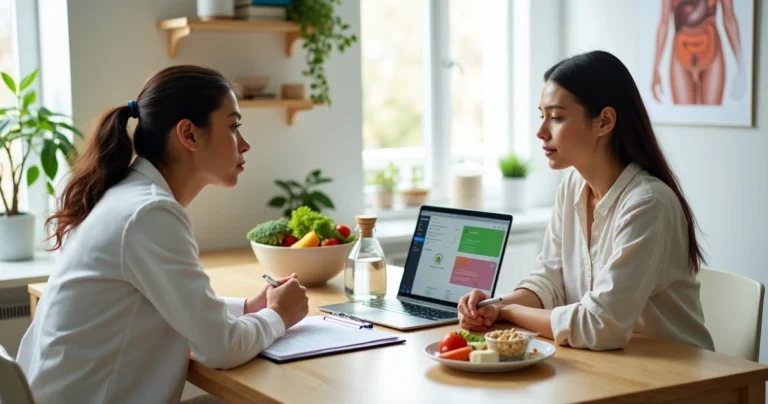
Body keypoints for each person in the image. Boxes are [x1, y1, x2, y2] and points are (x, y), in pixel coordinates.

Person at [16, 65, 309, 404]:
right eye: (233, 127)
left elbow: (160, 303)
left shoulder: (125, 196)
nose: (245, 145)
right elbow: (221, 348)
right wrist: (278, 315)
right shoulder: (149, 213)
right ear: (189, 134)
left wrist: (247, 307)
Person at [458, 50, 715, 352]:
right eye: (542, 116)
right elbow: (550, 281)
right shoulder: (572, 186)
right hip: (611, 363)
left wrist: (510, 312)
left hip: (676, 372)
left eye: (556, 117)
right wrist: (494, 306)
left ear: (604, 121)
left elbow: (600, 325)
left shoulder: (648, 204)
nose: (541, 132)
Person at [651, 0, 744, 105]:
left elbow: (729, 18)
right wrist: (655, 69)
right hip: (681, 54)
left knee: (713, 113)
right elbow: (664, 23)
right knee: (682, 113)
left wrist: (741, 66)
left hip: (711, 53)